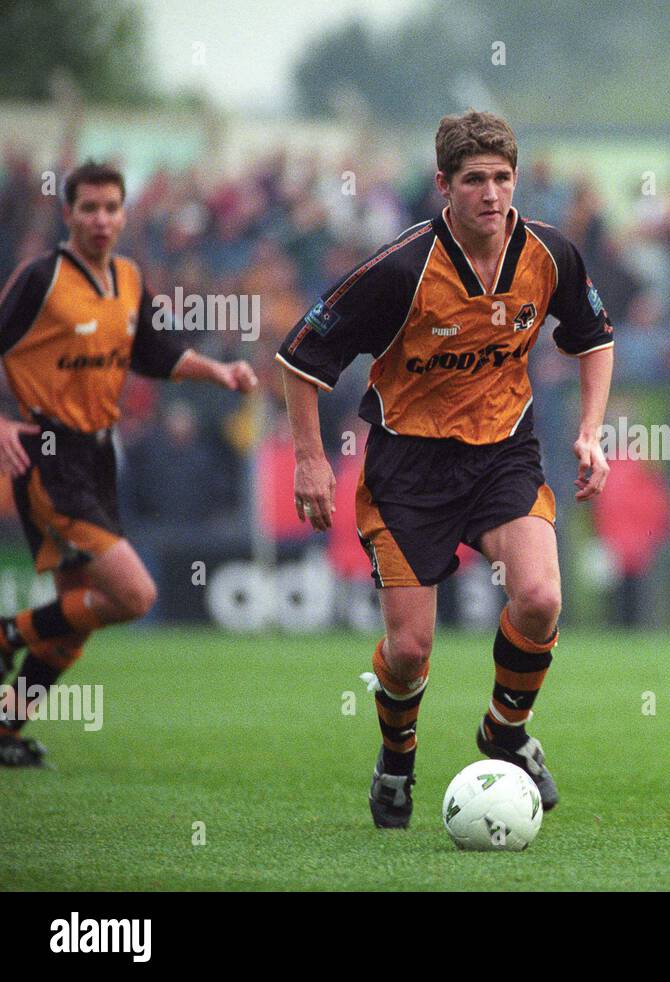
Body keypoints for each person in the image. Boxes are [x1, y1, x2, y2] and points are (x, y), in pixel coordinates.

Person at [276, 110, 614, 828]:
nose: (490, 194)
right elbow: (301, 356)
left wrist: (590, 431)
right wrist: (310, 460)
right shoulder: (399, 270)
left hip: (504, 454)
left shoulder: (551, 255)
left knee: (541, 599)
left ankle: (504, 732)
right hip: (409, 469)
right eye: (473, 180)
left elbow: (594, 337)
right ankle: (397, 759)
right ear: (443, 186)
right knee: (408, 649)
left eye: (501, 178)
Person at [0, 161, 259, 766]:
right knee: (135, 594)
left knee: (76, 621)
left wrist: (217, 371)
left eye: (111, 207)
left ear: (123, 213)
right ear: (68, 214)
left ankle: (6, 728)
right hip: (48, 454)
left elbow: (154, 353)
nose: (100, 219)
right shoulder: (42, 277)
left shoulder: (128, 276)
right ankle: (8, 633)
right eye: (88, 207)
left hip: (96, 456)